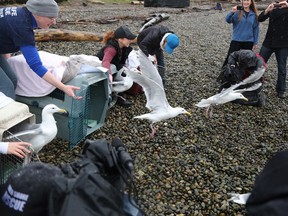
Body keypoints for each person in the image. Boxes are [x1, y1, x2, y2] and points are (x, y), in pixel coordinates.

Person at [0, 0, 81, 100]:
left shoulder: (21, 14)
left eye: (55, 18)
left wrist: (7, 62)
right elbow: (36, 65)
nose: (54, 22)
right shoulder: (22, 26)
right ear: (37, 13)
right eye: (51, 17)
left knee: (12, 79)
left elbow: (5, 35)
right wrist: (63, 87)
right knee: (7, 88)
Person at [96, 25, 137, 107]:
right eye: (128, 38)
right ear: (120, 39)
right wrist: (109, 74)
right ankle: (111, 93)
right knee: (113, 68)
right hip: (100, 72)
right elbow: (105, 62)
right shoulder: (111, 48)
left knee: (128, 75)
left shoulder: (124, 47)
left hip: (114, 70)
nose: (130, 40)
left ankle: (116, 92)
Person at [258, 0, 288, 99]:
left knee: (282, 68)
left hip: (283, 44)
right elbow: (260, 19)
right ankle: (254, 86)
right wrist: (267, 10)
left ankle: (281, 90)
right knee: (259, 65)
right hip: (268, 42)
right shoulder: (273, 6)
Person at [222, 0, 259, 68]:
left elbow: (256, 29)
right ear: (242, 1)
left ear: (251, 2)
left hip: (248, 41)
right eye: (244, 0)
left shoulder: (254, 15)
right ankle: (225, 74)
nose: (246, 2)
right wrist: (232, 12)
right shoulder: (237, 12)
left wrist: (255, 42)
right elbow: (228, 20)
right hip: (236, 40)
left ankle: (241, 75)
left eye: (248, 0)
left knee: (245, 60)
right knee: (230, 59)